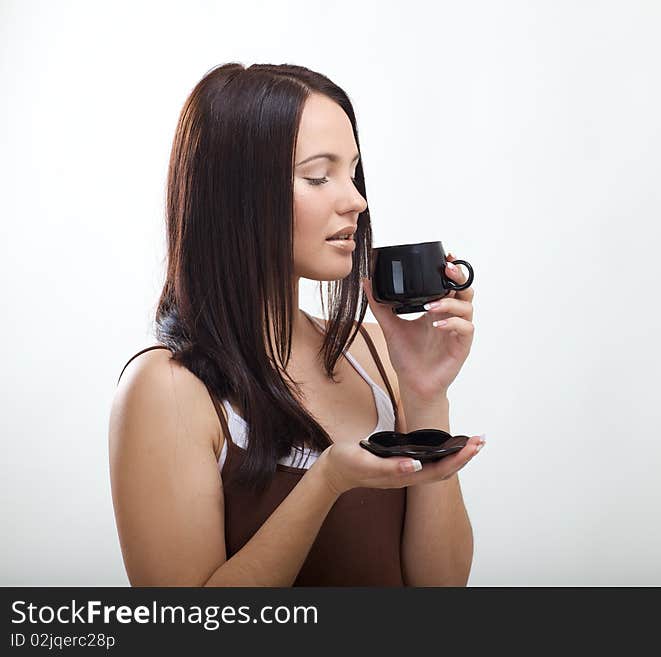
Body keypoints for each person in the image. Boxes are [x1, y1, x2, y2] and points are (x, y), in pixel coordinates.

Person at [108, 63, 484, 587]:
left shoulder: (375, 354)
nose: (357, 200)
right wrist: (326, 481)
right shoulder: (167, 390)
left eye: (352, 172)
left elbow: (439, 589)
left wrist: (426, 398)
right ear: (235, 197)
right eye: (317, 175)